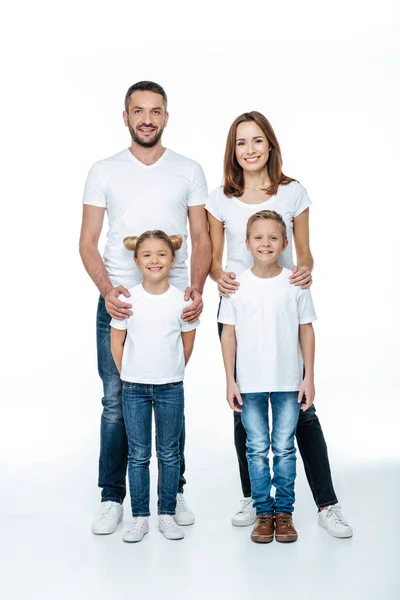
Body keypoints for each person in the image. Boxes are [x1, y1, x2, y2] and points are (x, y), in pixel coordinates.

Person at [206, 111, 353, 538]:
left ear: (270, 145)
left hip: (285, 306)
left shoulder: (294, 193)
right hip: (239, 307)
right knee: (244, 410)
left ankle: (327, 503)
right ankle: (256, 498)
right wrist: (222, 279)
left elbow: (303, 252)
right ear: (232, 151)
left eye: (257, 141)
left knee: (302, 410)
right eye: (240, 143)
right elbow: (215, 258)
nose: (249, 150)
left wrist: (303, 270)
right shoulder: (221, 198)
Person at [79, 81, 211, 534]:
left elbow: (203, 236)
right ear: (126, 116)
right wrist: (108, 289)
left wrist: (194, 288)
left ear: (167, 117)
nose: (147, 118)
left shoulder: (188, 169)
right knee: (116, 400)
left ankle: (171, 494)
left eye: (156, 111)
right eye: (139, 111)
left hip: (175, 305)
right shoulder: (104, 170)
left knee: (171, 392)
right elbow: (87, 242)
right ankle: (113, 496)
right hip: (121, 306)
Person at [219, 210, 316, 543]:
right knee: (257, 449)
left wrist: (309, 377)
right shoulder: (235, 286)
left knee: (285, 449)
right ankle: (263, 512)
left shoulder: (295, 283)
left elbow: (306, 330)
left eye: (273, 237)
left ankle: (284, 514)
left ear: (285, 243)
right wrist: (230, 380)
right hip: (249, 383)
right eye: (258, 237)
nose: (265, 243)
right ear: (246, 244)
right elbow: (228, 334)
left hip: (288, 381)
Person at [111, 230, 199, 542]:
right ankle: (140, 518)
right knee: (138, 454)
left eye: (161, 254)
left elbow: (186, 343)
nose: (154, 260)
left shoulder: (182, 301)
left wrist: (172, 370)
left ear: (172, 259)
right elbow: (117, 343)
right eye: (147, 255)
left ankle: (167, 514)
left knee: (169, 452)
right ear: (136, 261)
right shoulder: (127, 299)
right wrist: (130, 374)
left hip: (170, 387)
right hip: (134, 388)